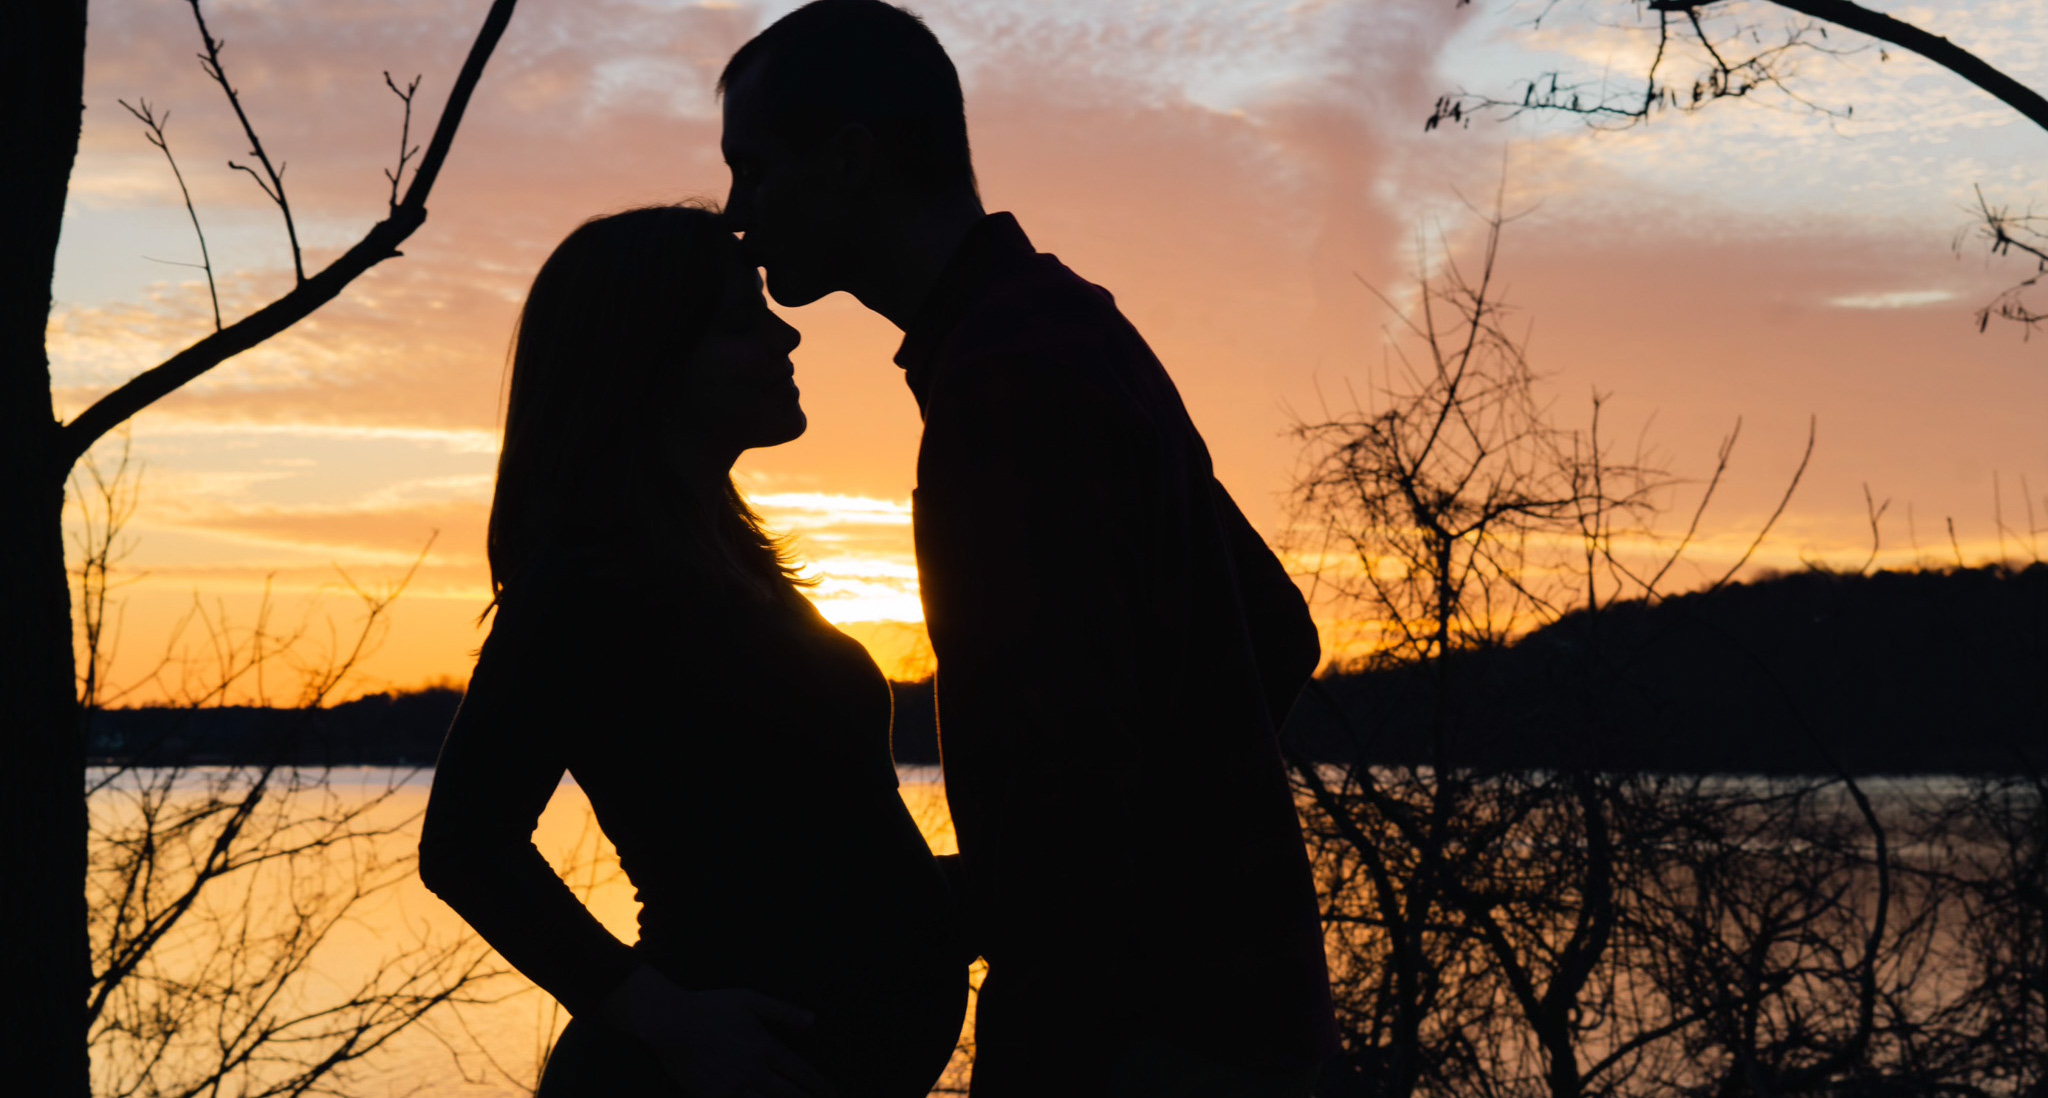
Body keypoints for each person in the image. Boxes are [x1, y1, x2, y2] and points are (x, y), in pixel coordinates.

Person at [717, 3, 1340, 1095]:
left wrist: (1015, 922)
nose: (735, 213)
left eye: (754, 170)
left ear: (850, 161)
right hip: (1236, 1028)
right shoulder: (1066, 327)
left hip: (1131, 1050)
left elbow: (1065, 789)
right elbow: (1275, 633)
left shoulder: (1004, 384)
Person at [418, 204, 966, 1098]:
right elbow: (465, 845)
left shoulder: (729, 569)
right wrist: (667, 1021)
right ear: (651, 360)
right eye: (742, 318)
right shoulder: (589, 582)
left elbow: (807, 863)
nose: (786, 333)